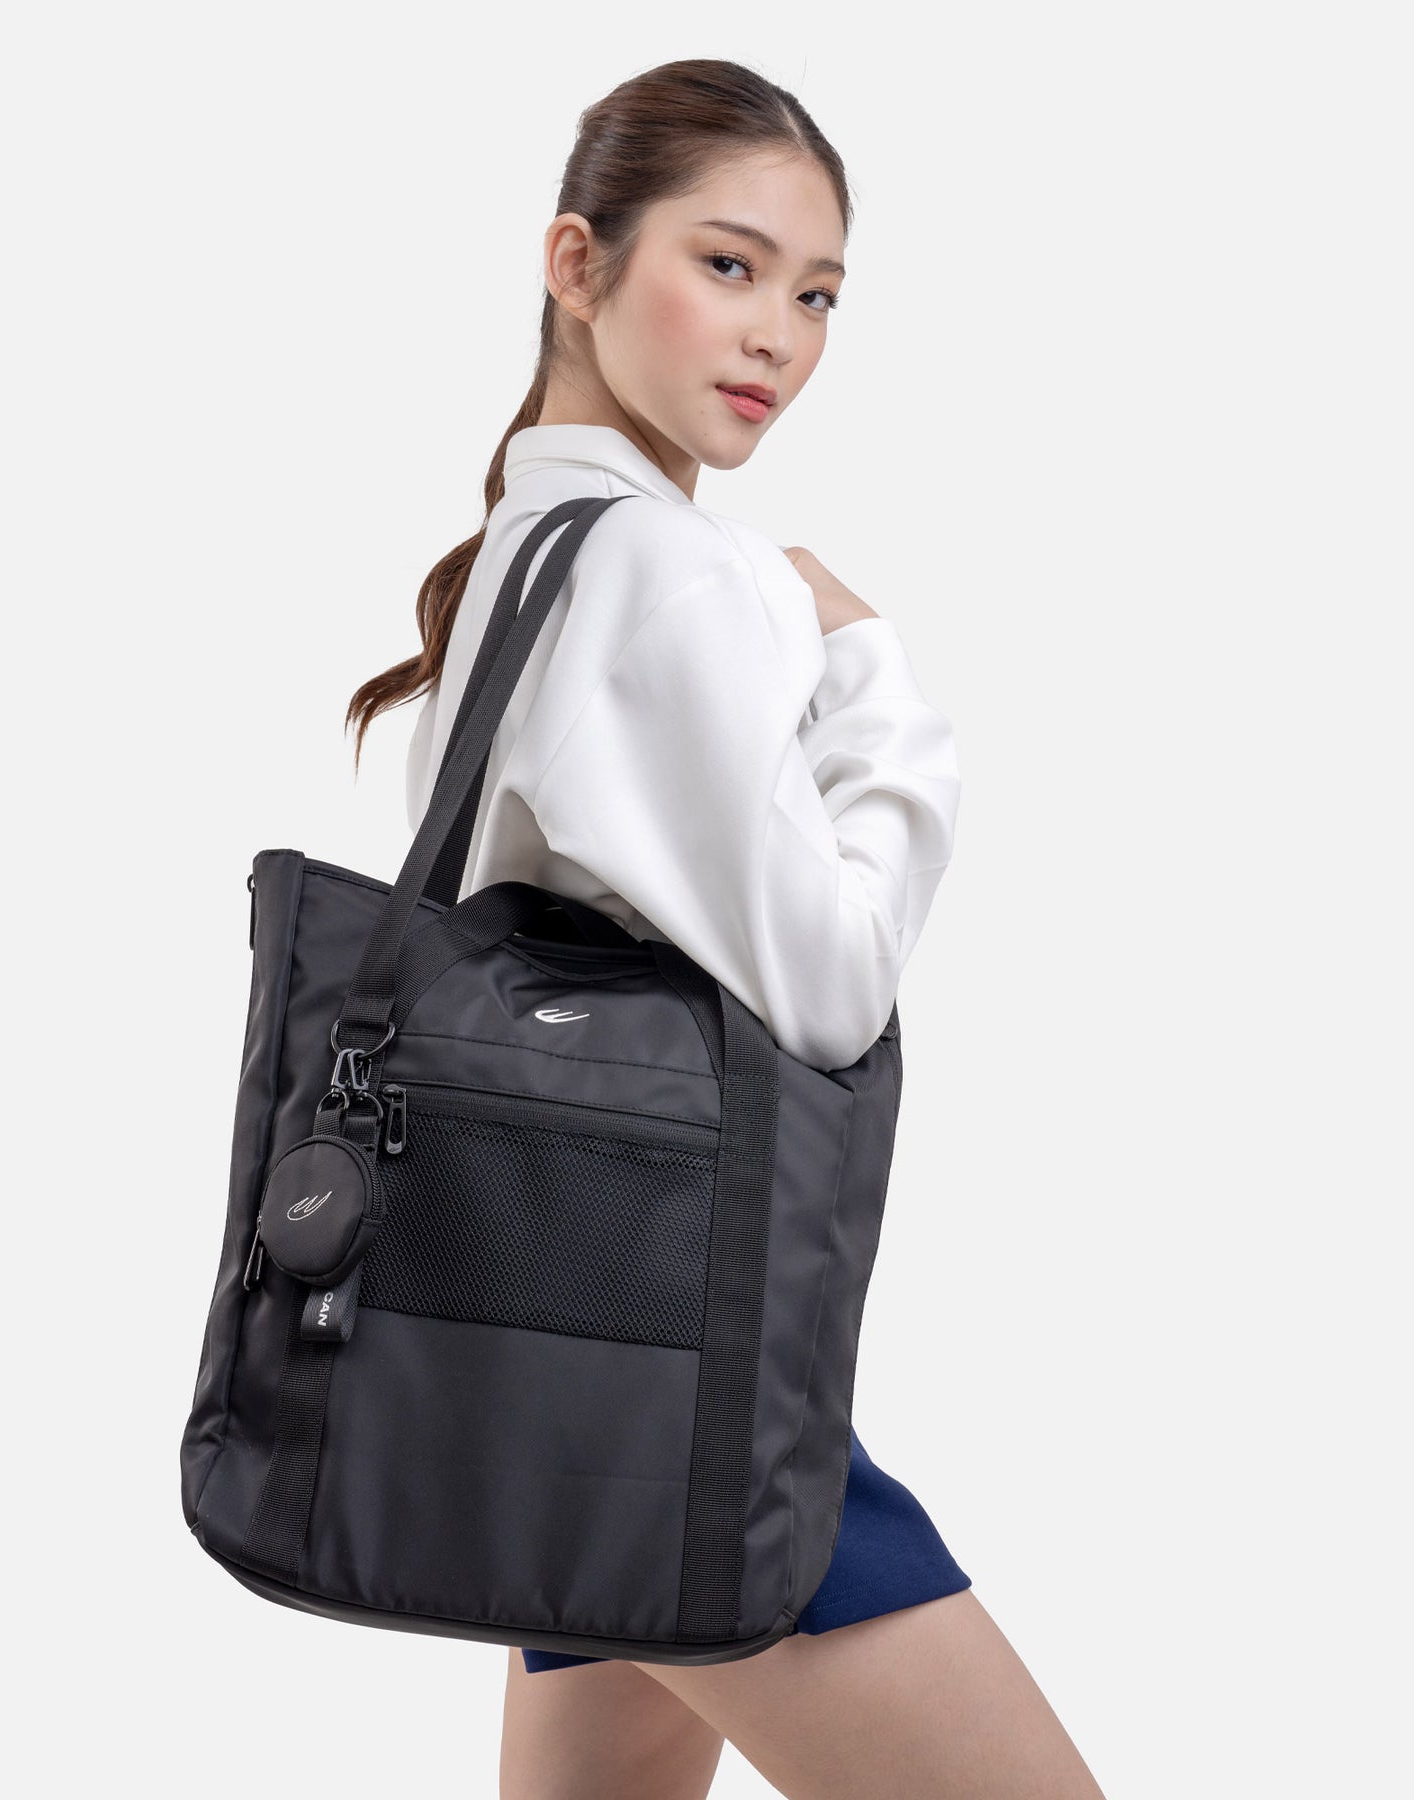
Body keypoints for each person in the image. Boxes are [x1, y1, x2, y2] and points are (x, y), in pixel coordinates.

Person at [347, 56, 1104, 1800]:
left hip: (560, 1358)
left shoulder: (525, 555)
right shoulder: (658, 569)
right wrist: (866, 666)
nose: (778, 334)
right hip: (682, 1397)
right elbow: (830, 988)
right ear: (578, 262)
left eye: (819, 295)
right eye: (730, 263)